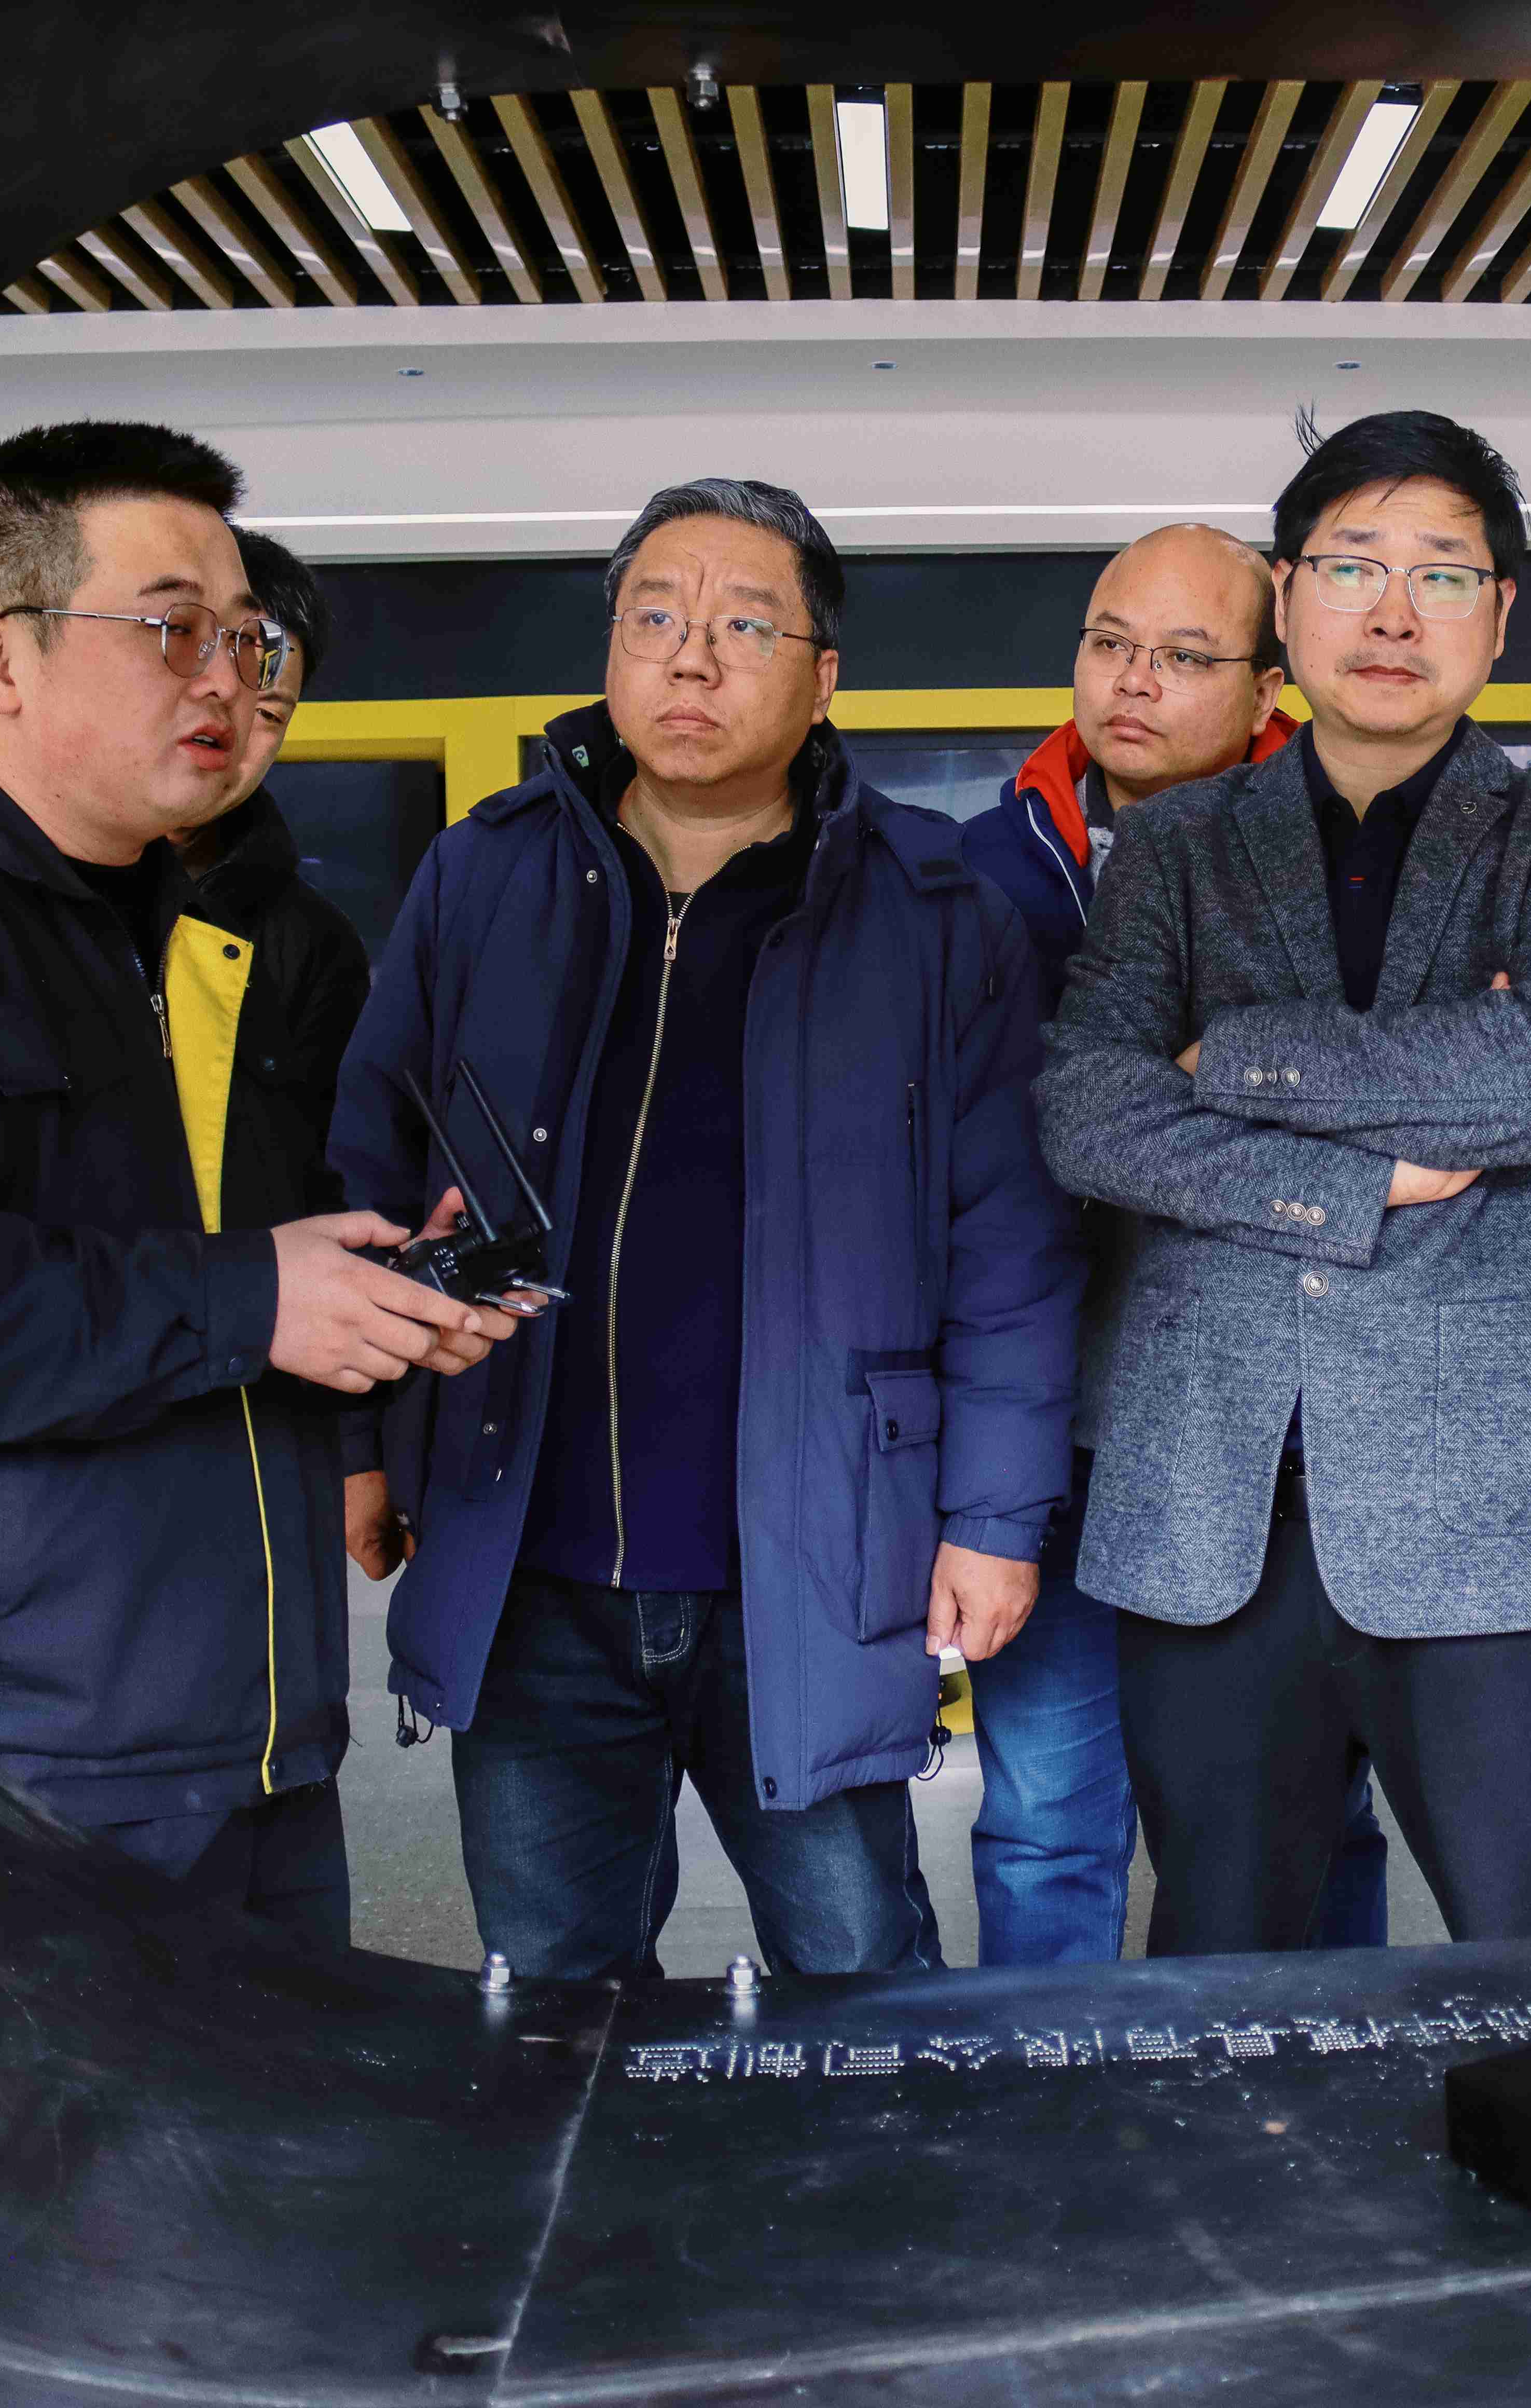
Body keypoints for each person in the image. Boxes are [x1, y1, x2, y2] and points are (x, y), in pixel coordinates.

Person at [0, 422, 518, 1945]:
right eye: (172, 629)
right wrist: (255, 1298)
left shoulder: (199, 939)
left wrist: (379, 1306)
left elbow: (224, 1278)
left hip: (266, 1738)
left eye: (247, 637)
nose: (228, 680)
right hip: (11, 1766)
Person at [334, 476, 1079, 1983]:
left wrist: (996, 1523)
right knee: (552, 1992)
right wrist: (358, 1443)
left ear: (823, 676)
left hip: (813, 1558)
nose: (690, 657)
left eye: (745, 626)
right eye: (654, 618)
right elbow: (371, 1159)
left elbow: (1011, 1248)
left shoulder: (933, 913)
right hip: (526, 1553)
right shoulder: (485, 874)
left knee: (861, 1988)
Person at [1037, 410, 1531, 1954]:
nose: (1392, 612)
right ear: (1287, 594)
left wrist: (1228, 1055)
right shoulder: (1174, 851)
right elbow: (1091, 1114)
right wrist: (1361, 1186)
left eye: (1441, 574)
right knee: (1225, 1980)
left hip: (1493, 1521)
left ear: (1499, 617)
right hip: (1210, 1516)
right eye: (1353, 566)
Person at [955, 522, 1323, 1964]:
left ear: (1266, 685)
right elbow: (985, 1144)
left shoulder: (1341, 863)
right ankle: (1050, 2097)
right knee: (1047, 1818)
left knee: (1298, 1818)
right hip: (1045, 1416)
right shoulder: (980, 872)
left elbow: (1362, 1102)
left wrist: (1141, 1101)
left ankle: (1297, 2089)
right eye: (1111, 644)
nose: (1134, 680)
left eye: (1183, 655)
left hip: (1271, 1423)